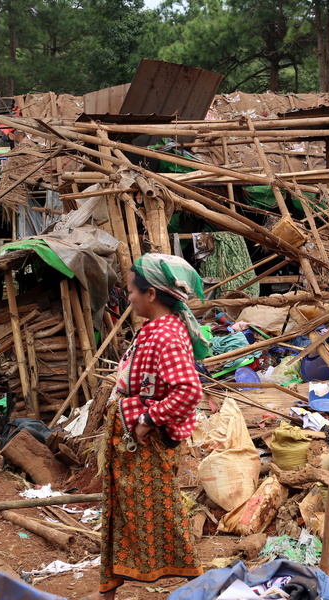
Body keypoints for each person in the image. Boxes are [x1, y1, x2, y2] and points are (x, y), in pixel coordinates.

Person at [87, 253, 211, 600]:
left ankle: (198, 586)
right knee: (120, 511)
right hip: (132, 441)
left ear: (152, 294)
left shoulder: (167, 335)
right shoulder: (156, 330)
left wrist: (147, 420)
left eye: (131, 291)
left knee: (164, 512)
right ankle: (108, 588)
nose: (129, 298)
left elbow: (188, 390)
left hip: (145, 443)